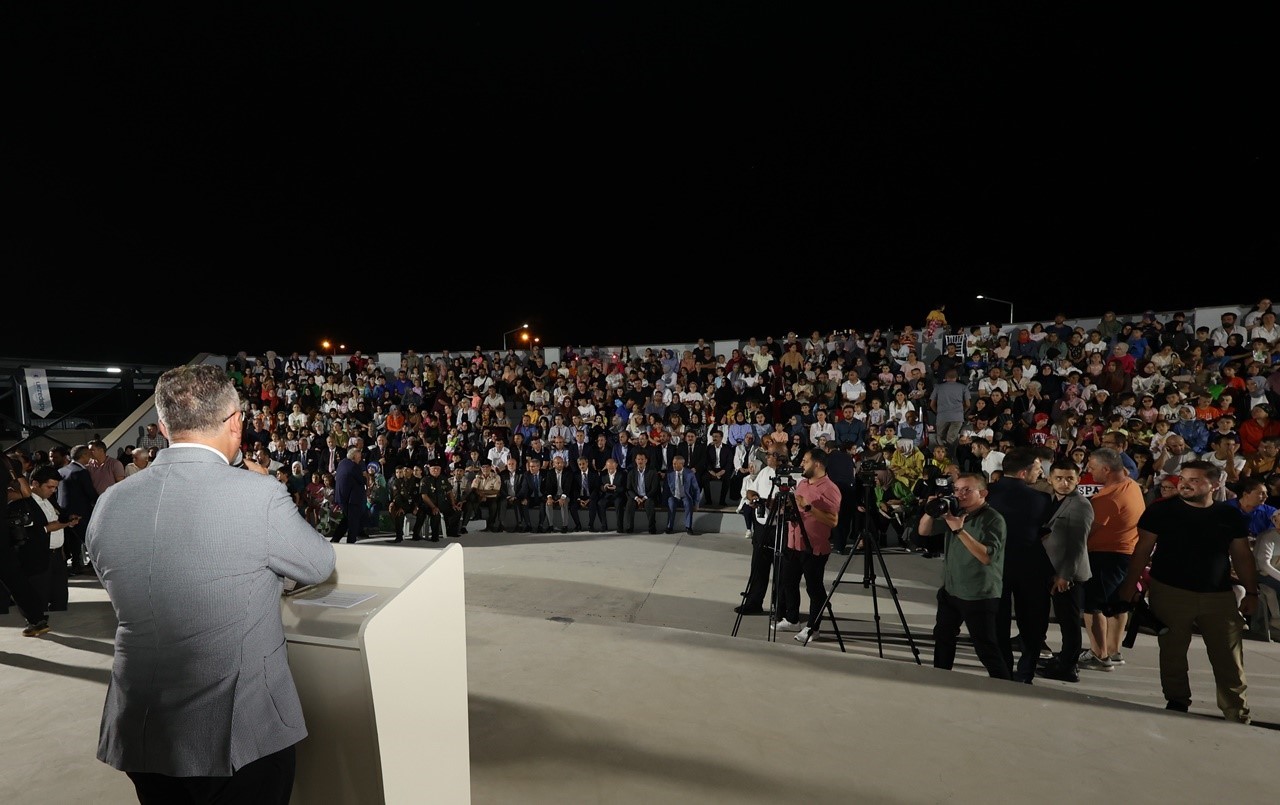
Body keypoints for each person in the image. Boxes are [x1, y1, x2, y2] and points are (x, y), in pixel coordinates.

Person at [85, 364, 336, 802]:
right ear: (236, 421)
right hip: (238, 732)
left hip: (143, 726)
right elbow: (317, 564)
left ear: (163, 427)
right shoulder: (258, 495)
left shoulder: (109, 502)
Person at [1119, 461, 1258, 724]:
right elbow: (1142, 551)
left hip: (1218, 595)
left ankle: (1236, 711)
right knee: (1172, 651)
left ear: (1215, 485)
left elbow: (1242, 556)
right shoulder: (1160, 512)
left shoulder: (1229, 516)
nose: (1184, 483)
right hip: (1169, 591)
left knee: (1229, 657)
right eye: (1183, 478)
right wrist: (1129, 585)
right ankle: (1176, 700)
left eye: (1194, 480)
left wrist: (1251, 593)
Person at [917, 472, 1011, 679]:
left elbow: (987, 557)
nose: (960, 495)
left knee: (985, 647)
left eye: (967, 490)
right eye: (957, 489)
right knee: (943, 638)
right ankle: (941, 678)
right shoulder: (955, 512)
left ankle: (1005, 686)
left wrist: (959, 530)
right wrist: (930, 510)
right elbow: (923, 531)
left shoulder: (993, 519)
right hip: (951, 590)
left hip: (979, 593)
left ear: (983, 493)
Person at [984, 447, 1052, 683]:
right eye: (1037, 468)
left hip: (993, 566)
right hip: (1031, 567)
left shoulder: (986, 493)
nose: (1041, 472)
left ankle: (1002, 671)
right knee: (1032, 622)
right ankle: (1025, 673)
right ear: (1024, 473)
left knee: (997, 621)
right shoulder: (1042, 499)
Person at [1079, 447, 1145, 672]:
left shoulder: (1109, 497)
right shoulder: (1132, 486)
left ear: (1106, 469)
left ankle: (1099, 655)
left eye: (1092, 467)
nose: (1088, 470)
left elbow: (1089, 531)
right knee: (1116, 605)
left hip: (1106, 556)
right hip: (1125, 554)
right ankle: (1113, 651)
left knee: (1093, 606)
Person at [773, 447, 841, 643]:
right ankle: (793, 618)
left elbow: (833, 520)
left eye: (806, 461)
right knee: (788, 582)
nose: (802, 464)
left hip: (814, 547)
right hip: (793, 543)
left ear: (817, 464)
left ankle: (813, 627)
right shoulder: (802, 483)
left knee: (814, 588)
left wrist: (808, 507)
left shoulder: (830, 489)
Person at [1037, 459, 1095, 683]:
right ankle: (1063, 660)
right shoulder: (1053, 499)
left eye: (1069, 479)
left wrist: (1065, 575)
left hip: (1068, 574)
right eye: (1059, 478)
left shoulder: (1080, 504)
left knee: (1069, 622)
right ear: (1050, 479)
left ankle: (1069, 667)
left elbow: (1078, 544)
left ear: (1078, 480)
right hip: (1051, 568)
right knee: (1063, 618)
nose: (1064, 483)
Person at [735, 451, 783, 615]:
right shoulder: (764, 472)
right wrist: (754, 498)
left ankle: (780, 607)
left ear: (781, 456)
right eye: (767, 454)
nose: (768, 457)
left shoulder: (790, 476)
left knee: (780, 569)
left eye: (771, 455)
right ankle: (753, 602)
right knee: (758, 566)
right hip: (762, 525)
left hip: (780, 527)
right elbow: (750, 490)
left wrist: (769, 502)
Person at [56, 443, 98, 576]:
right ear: (84, 455)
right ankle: (94, 565)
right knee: (88, 539)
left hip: (63, 511)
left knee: (72, 541)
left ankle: (75, 564)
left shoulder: (62, 470)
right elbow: (90, 493)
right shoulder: (81, 472)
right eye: (89, 454)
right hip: (80, 512)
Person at [331, 444, 366, 544]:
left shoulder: (342, 463)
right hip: (351, 499)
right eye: (359, 457)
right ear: (354, 457)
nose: (360, 459)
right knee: (353, 522)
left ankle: (336, 538)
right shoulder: (354, 466)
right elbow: (361, 480)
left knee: (346, 520)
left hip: (342, 497)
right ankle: (351, 542)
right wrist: (365, 477)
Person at [663, 454, 701, 535]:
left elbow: (696, 489)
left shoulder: (689, 473)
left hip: (685, 496)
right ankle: (669, 527)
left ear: (681, 464)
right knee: (671, 503)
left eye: (675, 464)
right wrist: (663, 502)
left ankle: (688, 527)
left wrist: (697, 503)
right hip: (673, 496)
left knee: (688, 503)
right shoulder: (669, 473)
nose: (673, 465)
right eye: (673, 463)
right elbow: (666, 489)